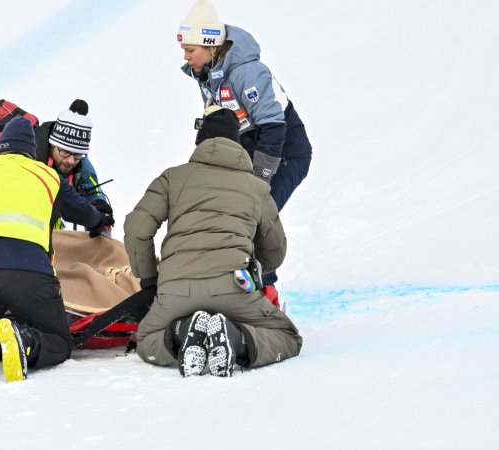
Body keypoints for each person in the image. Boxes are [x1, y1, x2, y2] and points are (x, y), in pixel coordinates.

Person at [123, 106, 302, 378]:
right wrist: (258, 269)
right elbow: (276, 251)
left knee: (148, 339)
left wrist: (149, 279)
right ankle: (235, 336)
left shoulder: (172, 178)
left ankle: (182, 332)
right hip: (234, 287)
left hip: (175, 291)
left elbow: (137, 228)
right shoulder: (257, 188)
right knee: (287, 335)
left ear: (200, 143)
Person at [0, 116, 111, 383]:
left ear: (0, 148)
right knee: (59, 340)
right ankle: (26, 340)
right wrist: (100, 219)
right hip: (30, 274)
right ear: (32, 152)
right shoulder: (48, 176)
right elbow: (85, 213)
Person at [177, 0, 313, 302]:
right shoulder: (207, 73)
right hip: (250, 150)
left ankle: (266, 293)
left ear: (211, 46)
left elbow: (274, 126)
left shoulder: (246, 72)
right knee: (226, 217)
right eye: (183, 49)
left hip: (284, 153)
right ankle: (230, 288)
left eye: (191, 50)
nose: (185, 57)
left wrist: (260, 179)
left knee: (255, 219)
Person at [33, 99, 113, 230]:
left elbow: (94, 193)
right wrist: (93, 217)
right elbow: (67, 201)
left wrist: (101, 213)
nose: (71, 161)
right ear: (53, 144)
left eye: (77, 155)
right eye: (65, 152)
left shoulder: (79, 160)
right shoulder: (33, 158)